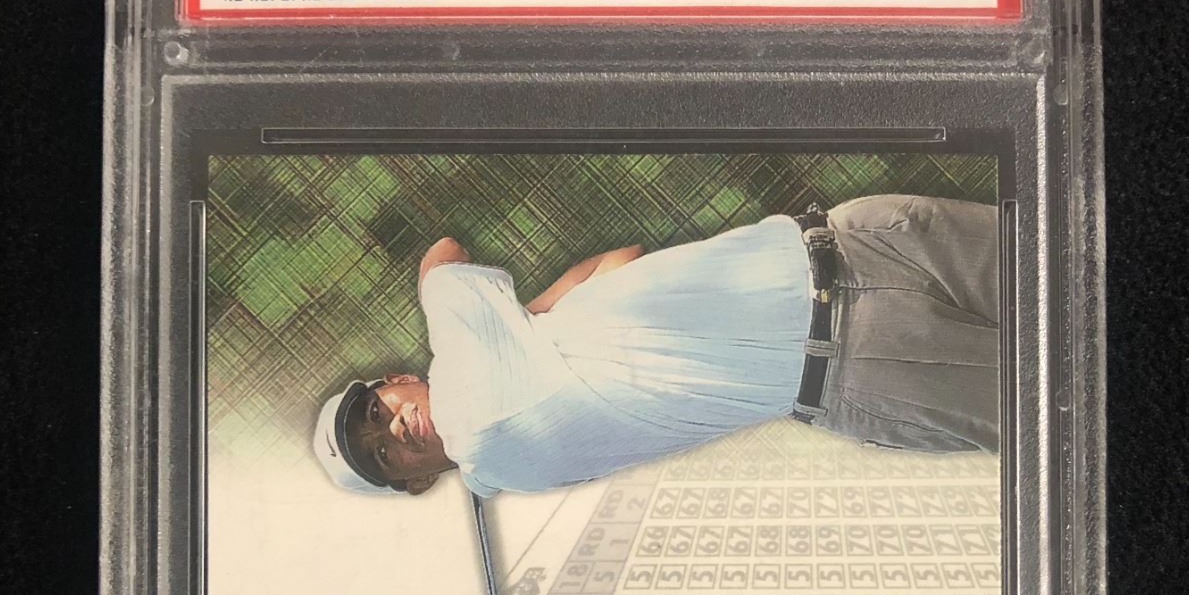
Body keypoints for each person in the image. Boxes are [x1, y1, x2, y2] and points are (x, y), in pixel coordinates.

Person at [312, 194, 1001, 501]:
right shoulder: (482, 439)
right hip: (876, 364)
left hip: (857, 234)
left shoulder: (519, 360)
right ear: (418, 481)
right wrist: (524, 317)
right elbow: (441, 257)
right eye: (384, 456)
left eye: (375, 412)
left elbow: (622, 258)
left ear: (394, 380)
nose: (393, 430)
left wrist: (533, 322)